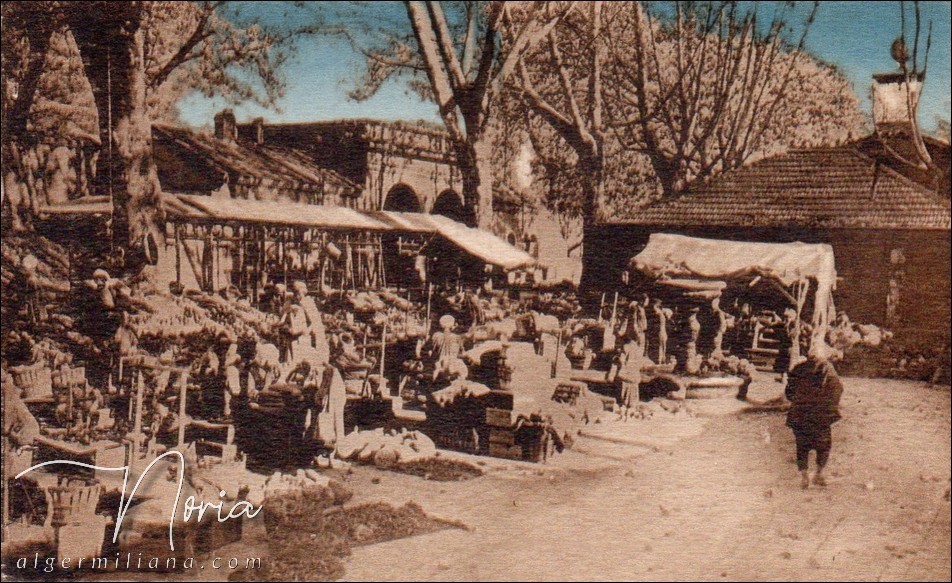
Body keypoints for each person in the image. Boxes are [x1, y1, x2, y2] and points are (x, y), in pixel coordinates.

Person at [785, 348, 844, 489]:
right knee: (823, 445)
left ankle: (804, 476)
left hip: (800, 414)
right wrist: (830, 406)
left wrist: (797, 401)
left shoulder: (798, 368)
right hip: (820, 414)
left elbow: (789, 391)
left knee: (802, 446)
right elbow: (837, 388)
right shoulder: (827, 368)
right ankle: (819, 473)